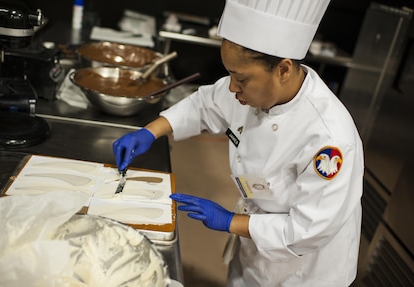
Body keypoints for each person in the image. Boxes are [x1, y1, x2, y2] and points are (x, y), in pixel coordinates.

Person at [113, 0, 364, 286]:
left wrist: (229, 221)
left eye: (241, 78)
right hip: (256, 242)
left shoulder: (330, 139)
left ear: (283, 69)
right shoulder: (249, 91)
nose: (232, 87)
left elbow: (308, 230)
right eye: (230, 73)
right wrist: (150, 131)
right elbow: (204, 104)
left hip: (304, 270)